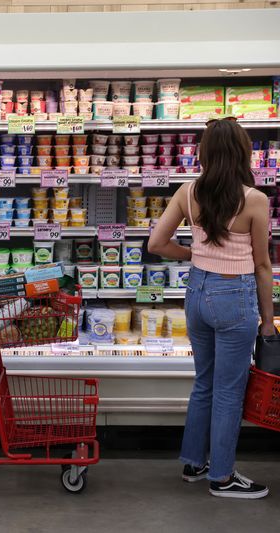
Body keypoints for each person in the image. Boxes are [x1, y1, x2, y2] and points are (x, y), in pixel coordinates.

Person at [148, 118, 273, 499]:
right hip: (234, 297)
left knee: (204, 382)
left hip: (197, 292)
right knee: (229, 390)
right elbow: (263, 264)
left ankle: (194, 463)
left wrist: (192, 254)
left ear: (203, 153)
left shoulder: (188, 192)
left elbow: (156, 243)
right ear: (242, 153)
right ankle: (222, 476)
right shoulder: (253, 200)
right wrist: (268, 321)